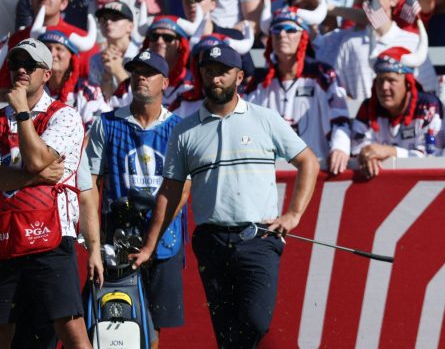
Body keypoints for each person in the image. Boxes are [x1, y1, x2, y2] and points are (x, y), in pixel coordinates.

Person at [130, 42, 320, 348]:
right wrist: (150, 245)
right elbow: (170, 191)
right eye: (209, 72)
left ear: (239, 76)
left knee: (256, 321)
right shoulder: (185, 131)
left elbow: (308, 161)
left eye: (222, 72)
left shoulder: (265, 118)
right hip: (212, 241)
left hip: (258, 238)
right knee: (226, 332)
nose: (215, 78)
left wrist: (294, 214)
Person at [86, 50, 189, 348]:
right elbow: (90, 184)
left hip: (164, 243)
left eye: (150, 72)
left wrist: (151, 239)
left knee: (152, 329)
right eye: (136, 71)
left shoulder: (180, 128)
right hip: (115, 242)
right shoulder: (105, 124)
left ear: (165, 82)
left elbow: (183, 190)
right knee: (111, 324)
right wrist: (92, 239)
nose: (141, 77)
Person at [0, 38, 90, 349]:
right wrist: (31, 179)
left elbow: (37, 160)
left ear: (47, 74)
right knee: (4, 335)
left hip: (51, 238)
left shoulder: (64, 115)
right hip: (6, 239)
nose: (20, 70)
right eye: (15, 64)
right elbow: (38, 168)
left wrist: (23, 113)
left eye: (29, 64)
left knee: (72, 332)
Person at [246, 9, 351, 175]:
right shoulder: (259, 81)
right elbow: (244, 126)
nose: (282, 34)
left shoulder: (323, 74)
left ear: (303, 37)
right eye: (276, 30)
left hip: (315, 169)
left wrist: (340, 147)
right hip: (269, 174)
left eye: (290, 30)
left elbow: (340, 118)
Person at [333, 0, 437, 100]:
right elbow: (336, 88)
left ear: (393, 0)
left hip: (403, 117)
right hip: (359, 118)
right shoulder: (349, 42)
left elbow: (429, 88)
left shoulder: (413, 41)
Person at [352, 43, 445, 178]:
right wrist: (369, 157)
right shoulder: (368, 107)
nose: (384, 87)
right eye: (380, 80)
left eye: (391, 80)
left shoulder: (428, 106)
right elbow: (357, 149)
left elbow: (431, 155)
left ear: (408, 83)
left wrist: (389, 152)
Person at [37, 27, 110, 129]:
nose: (52, 54)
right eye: (48, 48)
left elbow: (99, 130)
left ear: (72, 58)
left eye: (59, 48)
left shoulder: (88, 91)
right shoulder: (33, 90)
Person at [89, 1, 137, 99]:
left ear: (130, 26)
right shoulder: (96, 60)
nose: (108, 22)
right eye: (104, 19)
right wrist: (107, 76)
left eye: (115, 18)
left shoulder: (142, 54)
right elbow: (102, 101)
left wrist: (118, 70)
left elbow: (140, 100)